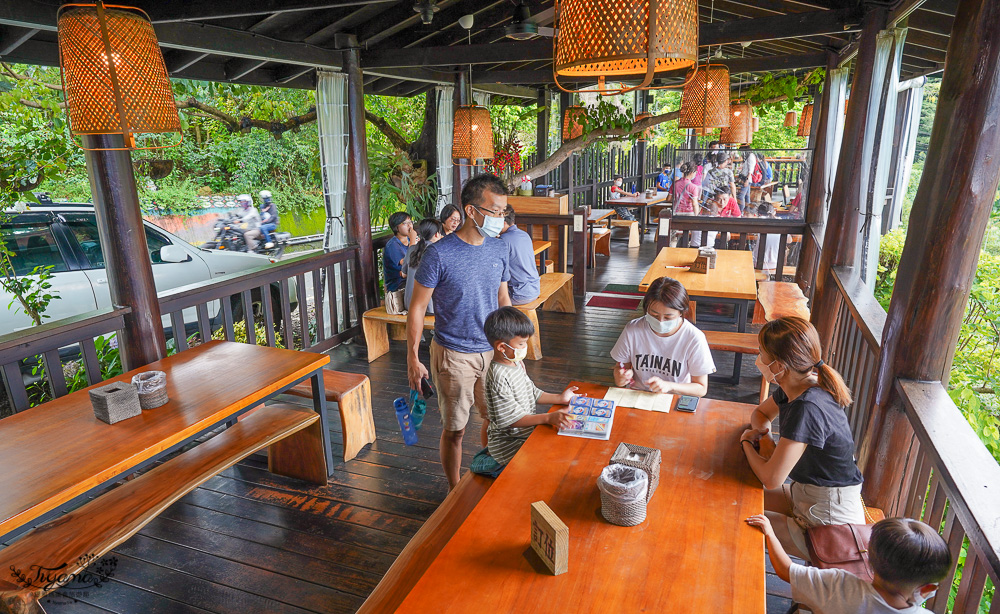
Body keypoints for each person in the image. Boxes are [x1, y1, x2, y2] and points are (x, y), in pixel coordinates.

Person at [407, 173, 512, 489]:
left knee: (494, 421)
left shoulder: (499, 249)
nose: (499, 218)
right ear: (471, 210)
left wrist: (510, 343)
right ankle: (454, 492)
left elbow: (502, 296)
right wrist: (413, 358)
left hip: (493, 351)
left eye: (503, 212)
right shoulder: (439, 253)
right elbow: (416, 308)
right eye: (493, 211)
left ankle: (485, 474)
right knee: (456, 429)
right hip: (453, 353)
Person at [740, 316, 865, 560]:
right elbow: (762, 413)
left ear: (779, 365)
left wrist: (747, 442)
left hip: (828, 520)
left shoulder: (808, 407)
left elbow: (771, 478)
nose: (758, 358)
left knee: (738, 517)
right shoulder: (799, 384)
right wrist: (764, 436)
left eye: (761, 353)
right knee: (734, 497)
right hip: (807, 496)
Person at [746, 515, 951, 614]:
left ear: (868, 558)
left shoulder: (839, 584)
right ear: (927, 589)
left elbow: (786, 570)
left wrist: (770, 533)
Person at [478, 307, 577, 471]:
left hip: (524, 434)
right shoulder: (498, 376)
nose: (525, 347)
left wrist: (560, 398)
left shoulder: (514, 363)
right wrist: (547, 418)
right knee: (557, 462)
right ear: (502, 347)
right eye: (521, 344)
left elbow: (532, 392)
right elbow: (511, 420)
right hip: (508, 446)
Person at [611, 277, 715, 396]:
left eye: (668, 317)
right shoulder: (633, 330)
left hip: (673, 398)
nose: (660, 321)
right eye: (654, 315)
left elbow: (701, 388)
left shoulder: (694, 338)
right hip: (637, 395)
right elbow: (621, 369)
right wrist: (621, 377)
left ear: (681, 313)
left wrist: (669, 386)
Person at [498, 205, 541, 306]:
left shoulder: (503, 240)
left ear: (503, 223)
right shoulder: (524, 234)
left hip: (518, 295)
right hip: (534, 289)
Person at [402, 218, 444, 313]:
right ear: (437, 234)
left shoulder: (411, 249)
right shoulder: (438, 251)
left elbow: (404, 274)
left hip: (409, 304)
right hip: (429, 307)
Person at [383, 212, 413, 293]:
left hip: (410, 278)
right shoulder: (393, 245)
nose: (409, 226)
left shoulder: (410, 240)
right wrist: (413, 243)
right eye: (405, 223)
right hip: (399, 284)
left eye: (410, 222)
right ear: (397, 227)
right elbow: (406, 263)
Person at [754, 202, 781, 276]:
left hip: (757, 263)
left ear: (758, 214)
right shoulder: (781, 222)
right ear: (774, 212)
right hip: (776, 264)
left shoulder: (758, 222)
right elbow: (789, 240)